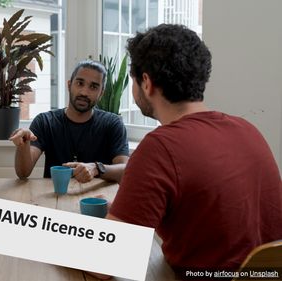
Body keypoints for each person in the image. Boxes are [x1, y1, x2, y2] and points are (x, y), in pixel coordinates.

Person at [96, 24, 282, 279]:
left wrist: (42, 233)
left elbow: (105, 265)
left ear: (147, 83)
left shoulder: (159, 148)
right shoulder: (248, 130)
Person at [9, 60, 129, 183]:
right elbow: (23, 173)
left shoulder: (113, 124)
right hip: (54, 198)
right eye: (79, 83)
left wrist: (96, 168)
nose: (84, 92)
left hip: (96, 199)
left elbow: (125, 170)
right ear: (69, 85)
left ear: (101, 93)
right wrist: (23, 145)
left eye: (93, 87)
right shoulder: (45, 121)